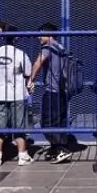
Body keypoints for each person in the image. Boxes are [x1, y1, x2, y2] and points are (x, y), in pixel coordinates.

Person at [27, 23, 71, 164]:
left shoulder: (48, 47)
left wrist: (30, 80)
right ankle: (56, 149)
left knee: (47, 122)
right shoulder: (61, 48)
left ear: (49, 34)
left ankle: (61, 150)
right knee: (59, 121)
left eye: (41, 34)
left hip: (52, 92)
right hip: (63, 92)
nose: (39, 37)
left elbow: (38, 63)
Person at [0, 28, 33, 167]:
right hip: (17, 94)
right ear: (16, 39)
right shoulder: (20, 54)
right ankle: (22, 156)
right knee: (19, 126)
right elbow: (28, 72)